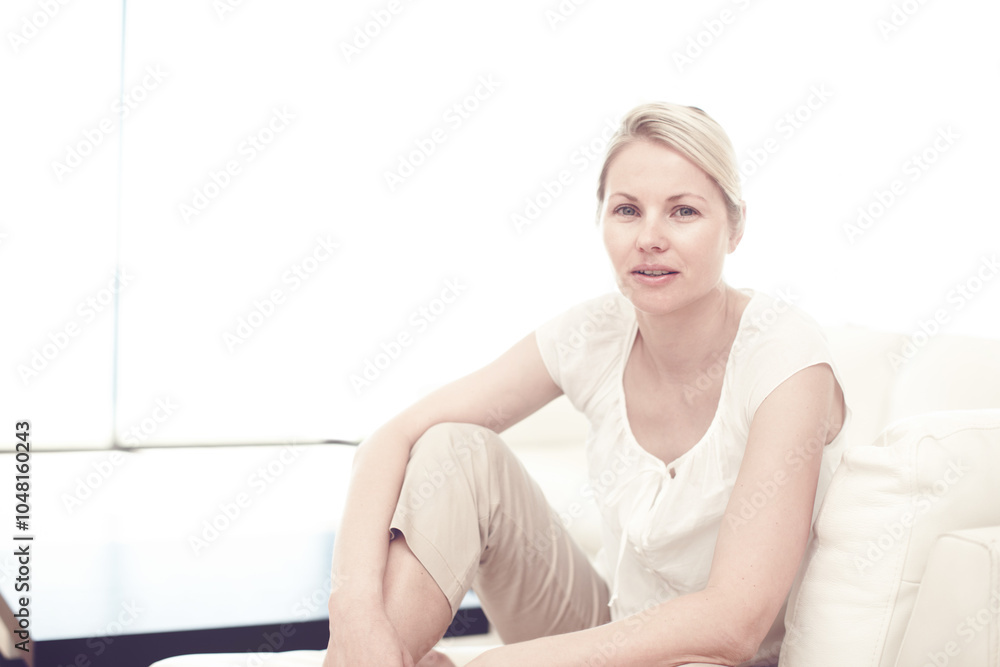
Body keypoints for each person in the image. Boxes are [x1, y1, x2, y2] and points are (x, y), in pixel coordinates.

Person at [323, 101, 851, 667]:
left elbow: (733, 624)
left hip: (718, 658)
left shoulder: (785, 357)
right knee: (454, 446)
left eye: (683, 211)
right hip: (611, 629)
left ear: (736, 226)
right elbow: (391, 438)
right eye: (627, 210)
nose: (649, 237)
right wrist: (355, 613)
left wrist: (495, 665)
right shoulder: (595, 333)